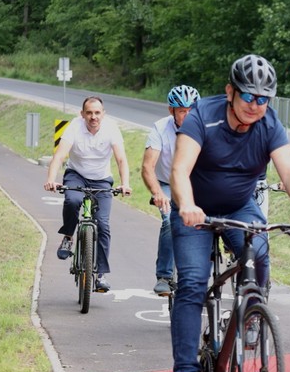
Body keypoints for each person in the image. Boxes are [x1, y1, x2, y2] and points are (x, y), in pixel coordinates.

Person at [169, 53, 290, 372]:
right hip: (196, 209)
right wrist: (187, 205)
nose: (255, 105)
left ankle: (252, 311)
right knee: (192, 283)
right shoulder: (202, 116)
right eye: (249, 96)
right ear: (230, 92)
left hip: (239, 205)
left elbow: (289, 171)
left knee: (260, 254)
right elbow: (179, 170)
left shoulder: (269, 125)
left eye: (263, 99)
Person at [44, 96, 131, 293]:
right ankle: (68, 237)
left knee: (103, 225)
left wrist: (125, 184)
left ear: (103, 114)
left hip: (101, 179)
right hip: (76, 175)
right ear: (82, 114)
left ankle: (101, 274)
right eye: (89, 113)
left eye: (97, 113)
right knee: (72, 200)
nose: (93, 117)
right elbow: (59, 156)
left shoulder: (111, 128)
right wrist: (51, 179)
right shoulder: (74, 127)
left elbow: (121, 159)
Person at [141, 84, 201, 296]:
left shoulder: (204, 127)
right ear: (171, 111)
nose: (188, 115)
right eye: (182, 111)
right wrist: (157, 193)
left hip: (196, 183)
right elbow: (147, 167)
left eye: (191, 110)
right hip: (167, 184)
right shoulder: (160, 128)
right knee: (169, 219)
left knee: (210, 222)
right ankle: (164, 276)